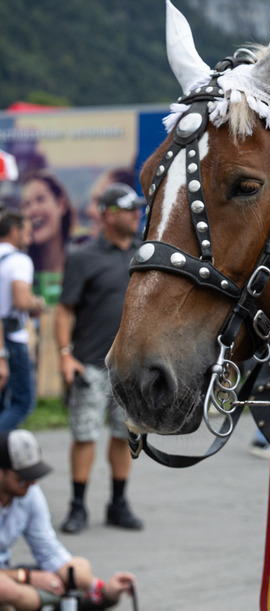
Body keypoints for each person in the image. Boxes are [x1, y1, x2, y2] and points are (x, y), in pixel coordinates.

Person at [55, 183, 144, 535]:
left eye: (138, 208)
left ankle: (118, 505)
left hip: (132, 368)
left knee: (125, 437)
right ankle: (77, 507)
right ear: (107, 215)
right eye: (127, 209)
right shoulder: (83, 257)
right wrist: (65, 355)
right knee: (84, 435)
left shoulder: (146, 254)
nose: (136, 214)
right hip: (91, 364)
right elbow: (64, 311)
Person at [0, 429, 135, 609]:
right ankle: (66, 601)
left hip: (7, 571)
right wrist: (26, 577)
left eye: (34, 475)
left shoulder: (30, 494)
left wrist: (98, 586)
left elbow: (49, 551)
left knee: (78, 567)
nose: (31, 483)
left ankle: (88, 596)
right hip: (7, 581)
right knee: (6, 589)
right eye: (23, 478)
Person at [0, 212, 45, 432]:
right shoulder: (19, 260)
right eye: (26, 234)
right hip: (11, 340)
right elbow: (20, 300)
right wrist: (37, 303)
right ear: (14, 231)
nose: (29, 240)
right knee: (22, 403)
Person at [19, 172, 73, 308]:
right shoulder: (18, 268)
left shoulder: (81, 262)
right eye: (27, 204)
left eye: (40, 199)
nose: (32, 210)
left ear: (61, 204)